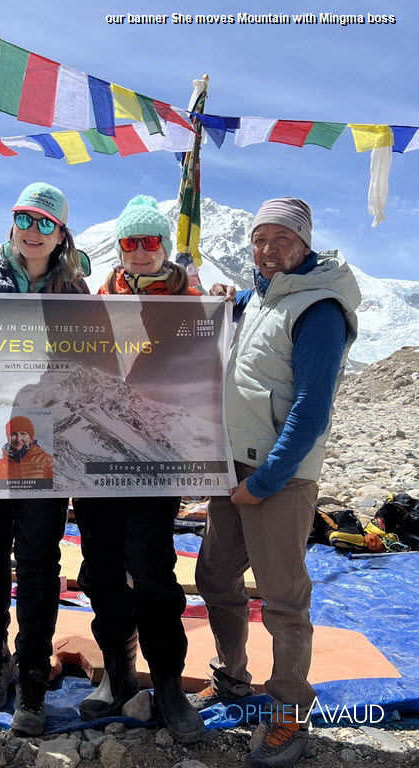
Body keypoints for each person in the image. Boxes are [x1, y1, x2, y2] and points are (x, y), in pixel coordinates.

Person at [190, 198, 361, 768]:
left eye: (281, 239)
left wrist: (264, 482)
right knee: (215, 576)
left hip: (278, 479)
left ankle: (290, 712)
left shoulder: (320, 309)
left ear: (304, 243)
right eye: (259, 239)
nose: (267, 250)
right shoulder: (261, 297)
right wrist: (226, 298)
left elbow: (311, 409)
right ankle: (232, 678)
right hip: (233, 469)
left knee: (283, 599)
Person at [0, 182, 90, 735]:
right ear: (12, 222)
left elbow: (92, 365)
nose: (33, 230)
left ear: (60, 235)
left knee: (38, 562)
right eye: (25, 218)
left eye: (45, 223)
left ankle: (33, 675)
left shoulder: (75, 293)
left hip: (46, 447)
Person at [72, 195, 205, 743]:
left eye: (150, 241)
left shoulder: (192, 302)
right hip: (98, 458)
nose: (140, 251)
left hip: (157, 461)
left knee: (152, 573)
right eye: (130, 241)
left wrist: (224, 305)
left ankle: (169, 684)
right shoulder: (97, 301)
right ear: (120, 247)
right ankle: (118, 674)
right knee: (101, 571)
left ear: (165, 246)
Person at [0, 416, 53, 481]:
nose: (18, 439)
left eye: (23, 434)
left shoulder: (47, 461)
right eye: (13, 434)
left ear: (31, 437)